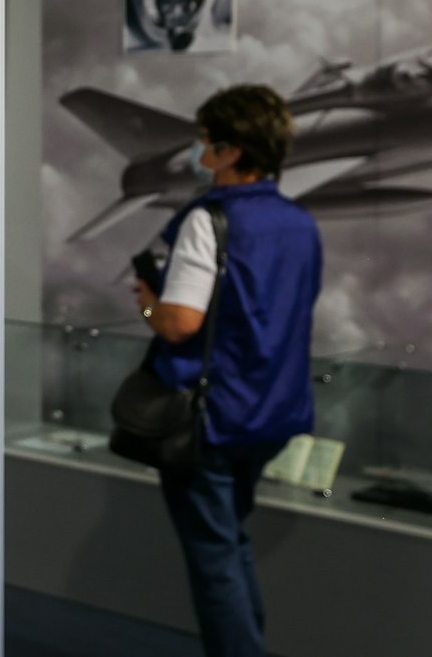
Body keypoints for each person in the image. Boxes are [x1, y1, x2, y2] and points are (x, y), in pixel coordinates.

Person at [132, 85, 322, 657]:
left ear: (231, 150)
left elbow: (180, 323)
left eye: (205, 140)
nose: (199, 151)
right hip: (272, 412)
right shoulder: (300, 223)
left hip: (209, 418)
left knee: (214, 563)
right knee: (230, 542)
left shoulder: (206, 221)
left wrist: (146, 301)